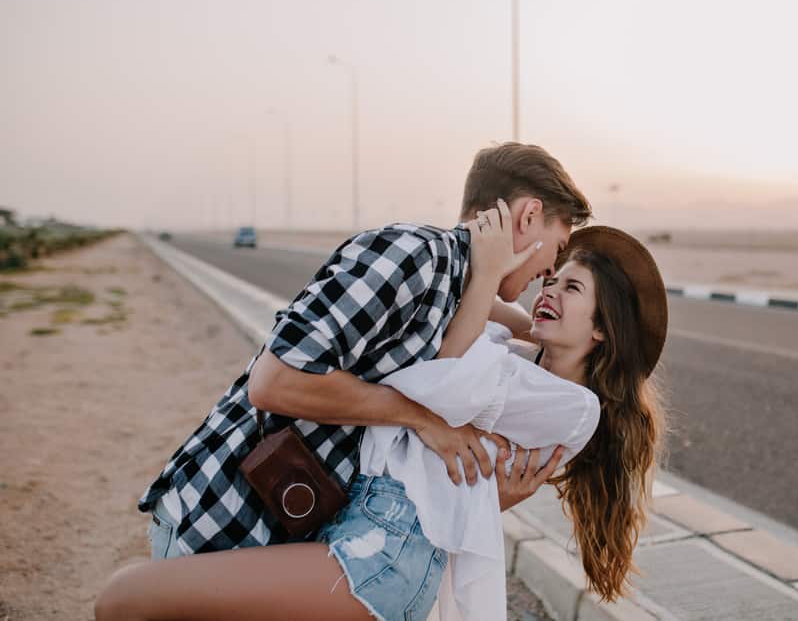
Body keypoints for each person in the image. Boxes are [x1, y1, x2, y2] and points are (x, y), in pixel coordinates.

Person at [96, 219, 668, 621]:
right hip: (366, 527)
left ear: (602, 329)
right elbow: (476, 337)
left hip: (387, 551)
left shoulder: (573, 408)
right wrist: (478, 260)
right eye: (553, 276)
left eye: (572, 287)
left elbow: (442, 372)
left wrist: (487, 270)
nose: (550, 289)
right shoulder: (515, 362)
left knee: (127, 597)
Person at [130, 141, 592, 561]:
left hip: (271, 530)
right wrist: (422, 418)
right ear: (529, 216)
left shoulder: (456, 287)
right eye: (558, 246)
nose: (551, 268)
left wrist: (561, 328)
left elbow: (487, 321)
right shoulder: (415, 254)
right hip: (222, 521)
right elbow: (274, 381)